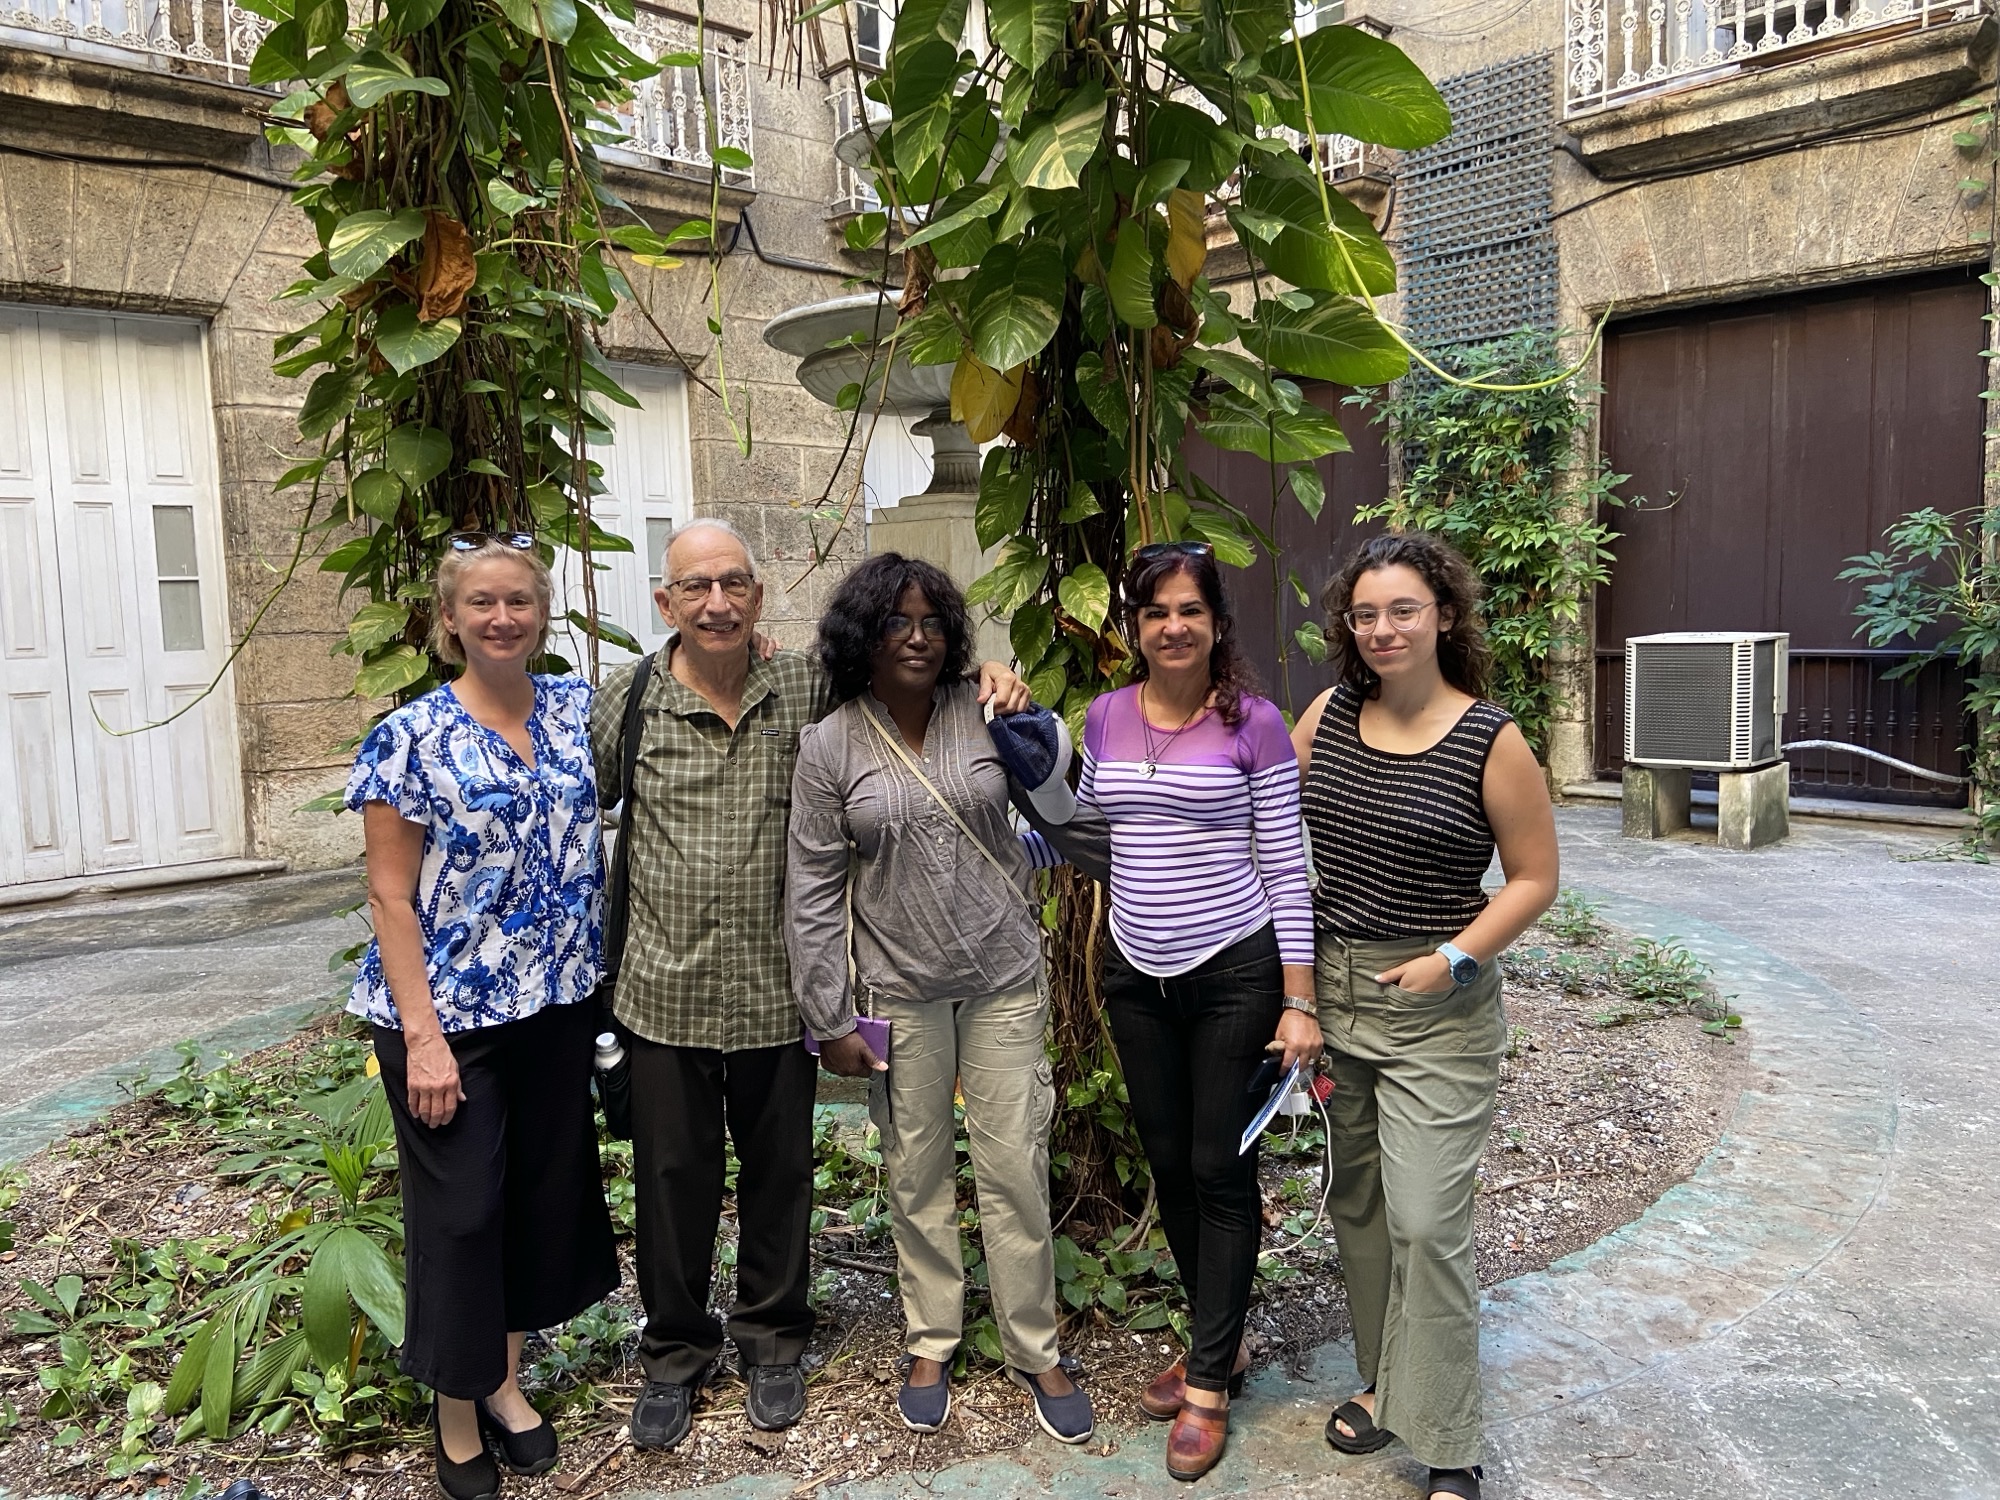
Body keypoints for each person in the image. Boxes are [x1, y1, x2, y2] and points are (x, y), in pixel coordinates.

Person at [589, 520, 1029, 1452]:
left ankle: (773, 1338)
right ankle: (673, 1352)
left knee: (783, 1174)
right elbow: (568, 808)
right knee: (672, 1181)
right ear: (665, 604)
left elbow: (909, 675)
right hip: (663, 986)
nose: (718, 604)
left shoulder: (805, 690)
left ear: (758, 595)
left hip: (776, 989)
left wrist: (991, 673)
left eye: (735, 585)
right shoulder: (623, 705)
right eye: (696, 588)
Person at [784, 554, 1094, 1444]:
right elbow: (809, 894)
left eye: (930, 623)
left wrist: (1031, 711)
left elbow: (1059, 802)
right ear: (862, 638)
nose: (915, 638)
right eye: (894, 623)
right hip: (898, 986)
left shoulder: (987, 708)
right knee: (916, 1171)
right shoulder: (830, 746)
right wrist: (828, 1016)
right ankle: (932, 1336)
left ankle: (1035, 1343)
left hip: (1001, 976)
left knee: (1013, 1166)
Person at [348, 532, 618, 1500]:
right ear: (449, 619)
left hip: (553, 1004)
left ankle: (505, 1384)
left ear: (542, 614)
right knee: (461, 1214)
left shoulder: (577, 712)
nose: (502, 618)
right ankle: (455, 1409)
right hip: (446, 1020)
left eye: (519, 602)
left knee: (540, 1200)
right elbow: (389, 897)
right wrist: (420, 1036)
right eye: (482, 604)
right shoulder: (409, 737)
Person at [1290, 532, 1558, 1500]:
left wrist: (1451, 960)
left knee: (1427, 1222)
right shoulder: (1325, 715)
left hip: (1436, 1009)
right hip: (1334, 993)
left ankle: (1447, 1441)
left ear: (1442, 614)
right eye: (1363, 614)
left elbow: (1533, 880)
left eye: (1401, 609)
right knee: (1357, 1206)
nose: (1380, 629)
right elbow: (1276, 837)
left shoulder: (1490, 737)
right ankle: (1383, 1380)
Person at [1079, 540, 1319, 1482]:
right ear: (1134, 627)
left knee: (1220, 1165)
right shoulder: (1103, 717)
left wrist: (1298, 1001)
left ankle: (1210, 1380)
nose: (1172, 626)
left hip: (1234, 971)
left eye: (1189, 610)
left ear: (1217, 623)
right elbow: (1087, 833)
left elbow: (1288, 865)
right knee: (1172, 1163)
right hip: (1135, 972)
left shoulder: (1252, 723)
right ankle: (1223, 1336)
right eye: (1153, 612)